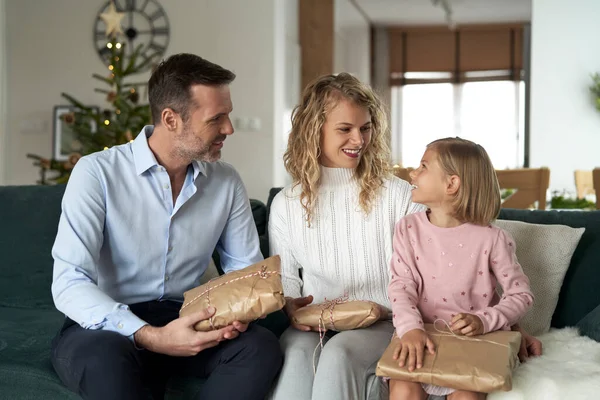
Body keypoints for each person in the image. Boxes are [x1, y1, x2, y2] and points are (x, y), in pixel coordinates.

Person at [50, 53, 282, 400]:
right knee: (103, 361)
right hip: (109, 326)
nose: (229, 128)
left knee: (259, 347)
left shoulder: (226, 182)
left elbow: (244, 274)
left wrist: (237, 314)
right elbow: (69, 283)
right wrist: (151, 336)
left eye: (228, 115)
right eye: (216, 118)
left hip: (186, 316)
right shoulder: (96, 172)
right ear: (170, 119)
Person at [268, 72, 425, 400]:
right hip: (316, 323)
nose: (359, 140)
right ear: (314, 130)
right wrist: (290, 307)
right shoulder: (286, 203)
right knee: (295, 357)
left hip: (385, 320)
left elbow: (426, 275)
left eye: (365, 128)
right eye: (345, 129)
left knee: (339, 354)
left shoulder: (399, 196)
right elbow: (285, 281)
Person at [387, 137, 535, 400]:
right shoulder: (407, 228)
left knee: (467, 396)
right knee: (402, 391)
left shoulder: (492, 239)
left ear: (451, 183)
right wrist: (410, 329)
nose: (413, 172)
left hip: (473, 344)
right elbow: (401, 286)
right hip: (420, 336)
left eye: (423, 166)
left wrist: (485, 320)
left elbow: (521, 295)